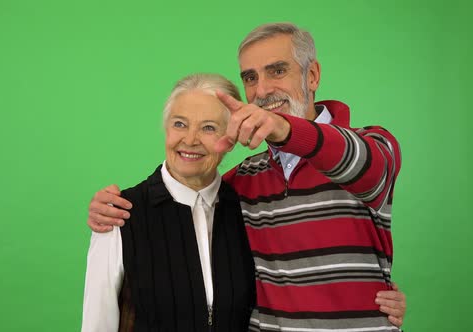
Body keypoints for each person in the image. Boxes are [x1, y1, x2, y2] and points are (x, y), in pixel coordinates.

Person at [87, 22, 407, 331]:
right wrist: (119, 205)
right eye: (251, 78)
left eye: (277, 70)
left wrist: (285, 129)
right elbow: (192, 190)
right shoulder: (242, 182)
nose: (263, 89)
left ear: (312, 75)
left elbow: (360, 164)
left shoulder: (374, 145)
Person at [81, 73, 256, 331]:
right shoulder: (120, 214)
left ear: (230, 139)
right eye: (179, 124)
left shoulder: (247, 211)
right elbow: (98, 325)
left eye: (208, 127)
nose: (190, 139)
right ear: (166, 129)